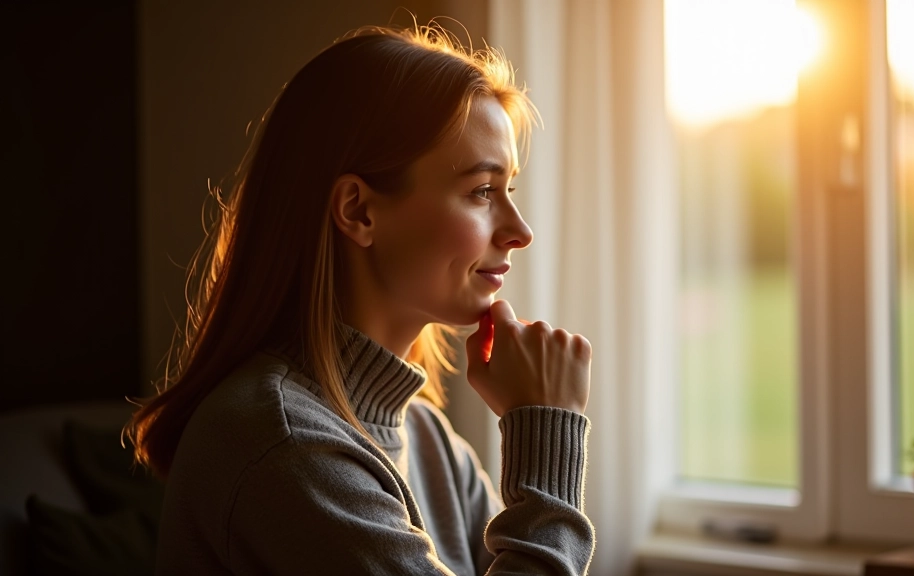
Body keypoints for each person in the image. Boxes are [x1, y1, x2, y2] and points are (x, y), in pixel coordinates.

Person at [127, 22, 595, 575]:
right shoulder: (283, 446)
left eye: (508, 190)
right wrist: (546, 433)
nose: (520, 230)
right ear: (358, 211)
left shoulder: (429, 443)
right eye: (482, 191)